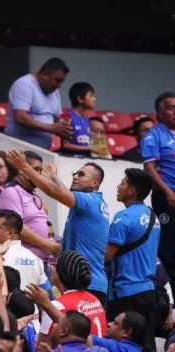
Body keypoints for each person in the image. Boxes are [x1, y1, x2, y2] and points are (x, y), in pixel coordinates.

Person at [8, 149, 109, 304]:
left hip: (86, 283)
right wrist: (55, 178)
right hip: (86, 281)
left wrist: (24, 167)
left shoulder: (88, 201)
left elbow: (55, 192)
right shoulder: (91, 202)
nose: (75, 176)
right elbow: (63, 192)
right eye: (75, 173)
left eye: (81, 175)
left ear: (94, 183)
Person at [105, 168, 160, 352]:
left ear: (131, 191)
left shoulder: (124, 217)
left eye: (122, 183)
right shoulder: (153, 217)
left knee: (120, 345)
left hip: (125, 292)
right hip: (148, 291)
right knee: (147, 345)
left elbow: (106, 256)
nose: (118, 187)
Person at [28, 250, 107, 346]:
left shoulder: (56, 306)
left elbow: (41, 347)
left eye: (54, 266)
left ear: (60, 274)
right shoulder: (95, 299)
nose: (51, 268)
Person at [140, 92, 175, 292]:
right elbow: (150, 169)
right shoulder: (153, 136)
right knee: (170, 247)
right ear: (160, 113)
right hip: (166, 197)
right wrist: (168, 192)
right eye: (171, 108)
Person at [5, 57, 73, 149]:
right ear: (45, 74)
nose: (59, 85)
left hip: (43, 149)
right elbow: (20, 117)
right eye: (57, 80)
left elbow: (57, 119)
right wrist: (50, 127)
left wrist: (64, 129)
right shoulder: (24, 85)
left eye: (62, 81)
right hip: (19, 149)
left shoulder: (54, 92)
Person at [0, 150, 51, 266]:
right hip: (24, 262)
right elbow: (16, 228)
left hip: (42, 261)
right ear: (21, 169)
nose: (39, 174)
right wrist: (48, 245)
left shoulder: (35, 195)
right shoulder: (11, 192)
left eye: (40, 171)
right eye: (35, 169)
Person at [61, 82, 100, 157]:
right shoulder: (68, 117)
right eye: (91, 96)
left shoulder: (86, 120)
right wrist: (89, 148)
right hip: (70, 160)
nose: (94, 99)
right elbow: (65, 145)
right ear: (80, 99)